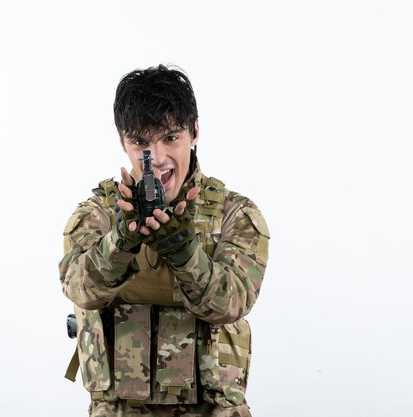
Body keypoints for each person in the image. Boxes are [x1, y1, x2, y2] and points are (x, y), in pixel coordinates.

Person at [59, 65, 269, 417]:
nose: (156, 159)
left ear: (195, 132)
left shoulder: (236, 213)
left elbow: (234, 301)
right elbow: (81, 290)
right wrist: (120, 243)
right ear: (123, 142)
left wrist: (186, 255)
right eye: (141, 142)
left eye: (170, 138)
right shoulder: (99, 214)